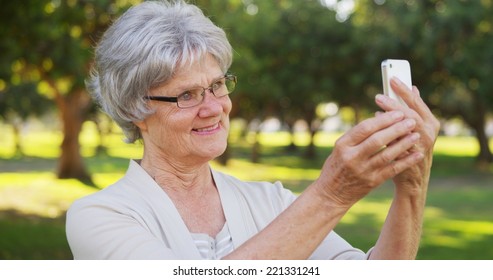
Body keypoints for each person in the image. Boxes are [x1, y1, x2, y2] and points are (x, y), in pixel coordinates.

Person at [66, 0, 440, 260]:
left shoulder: (271, 202)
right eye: (186, 95)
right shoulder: (99, 216)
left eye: (216, 85)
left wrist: (412, 188)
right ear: (135, 110)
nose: (214, 107)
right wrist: (331, 195)